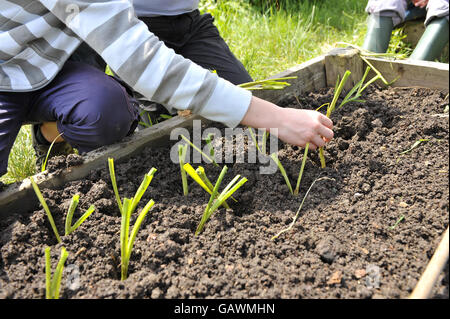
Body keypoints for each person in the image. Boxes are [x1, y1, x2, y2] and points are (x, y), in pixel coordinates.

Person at [0, 0, 334, 183]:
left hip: (49, 63)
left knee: (107, 109)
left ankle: (62, 141)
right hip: (5, 67)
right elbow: (143, 62)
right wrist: (277, 118)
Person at [362, 0, 449, 61]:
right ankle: (368, 63)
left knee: (443, 5)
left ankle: (414, 72)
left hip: (442, 7)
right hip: (408, 7)